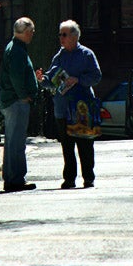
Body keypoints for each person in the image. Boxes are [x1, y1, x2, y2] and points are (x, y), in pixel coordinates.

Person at [37, 20, 101, 189]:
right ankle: (69, 178)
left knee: (85, 145)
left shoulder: (86, 55)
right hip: (62, 109)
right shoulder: (59, 56)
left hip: (82, 108)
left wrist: (78, 80)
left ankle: (88, 177)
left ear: (74, 36)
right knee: (67, 146)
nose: (61, 38)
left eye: (64, 35)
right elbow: (50, 81)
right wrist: (41, 80)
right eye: (60, 34)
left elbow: (96, 76)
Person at [0, 17, 40, 192]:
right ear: (25, 32)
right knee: (16, 141)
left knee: (12, 140)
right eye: (31, 32)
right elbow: (16, 77)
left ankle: (11, 177)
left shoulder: (15, 48)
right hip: (16, 102)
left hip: (12, 100)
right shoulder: (17, 50)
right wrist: (24, 96)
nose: (32, 35)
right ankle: (16, 179)